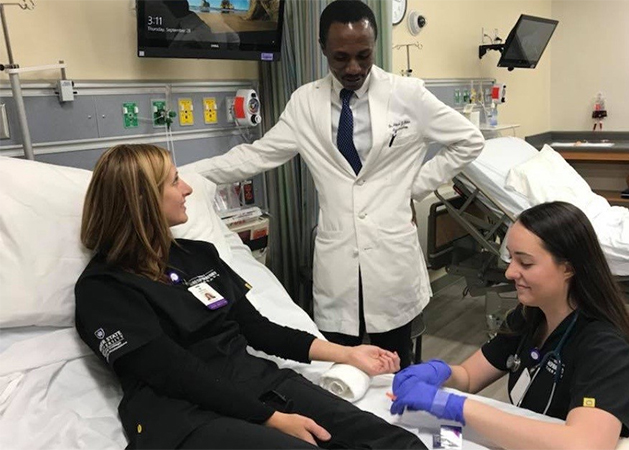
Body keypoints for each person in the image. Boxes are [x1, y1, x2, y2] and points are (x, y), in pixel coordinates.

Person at [185, 0, 484, 368]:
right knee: (339, 366)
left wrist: (413, 187)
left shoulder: (407, 95)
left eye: (364, 55)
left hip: (392, 260)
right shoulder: (305, 103)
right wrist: (181, 173)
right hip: (338, 261)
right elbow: (256, 156)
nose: (354, 68)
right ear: (322, 48)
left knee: (397, 366)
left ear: (375, 45)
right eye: (341, 58)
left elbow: (470, 140)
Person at [74, 144, 426, 449]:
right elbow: (174, 373)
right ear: (143, 199)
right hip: (184, 415)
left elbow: (259, 330)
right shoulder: (105, 289)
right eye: (174, 180)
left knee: (395, 441)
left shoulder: (199, 255)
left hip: (259, 385)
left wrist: (348, 354)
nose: (187, 189)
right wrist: (270, 418)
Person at [389, 201, 629, 449]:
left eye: (525, 262)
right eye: (511, 258)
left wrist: (458, 407)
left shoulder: (606, 347)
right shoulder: (529, 316)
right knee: (414, 439)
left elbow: (584, 443)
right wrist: (439, 372)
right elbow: (469, 377)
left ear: (569, 268)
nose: (510, 272)